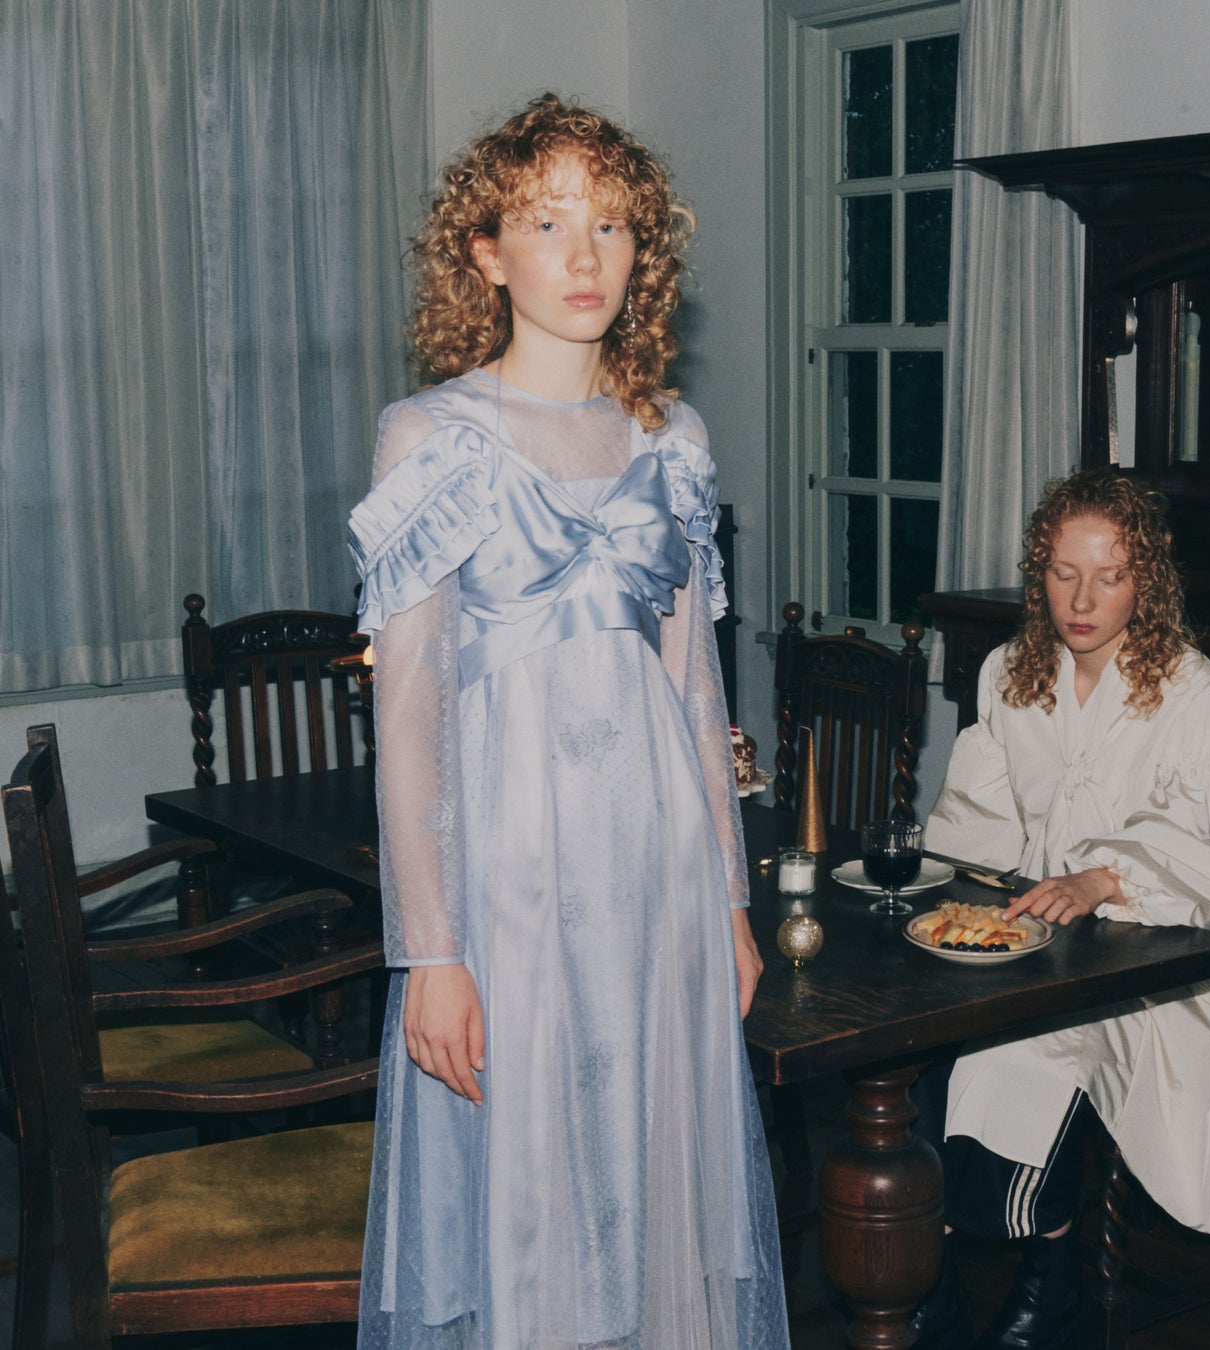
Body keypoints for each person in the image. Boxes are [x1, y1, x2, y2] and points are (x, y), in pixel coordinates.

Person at [346, 95, 789, 1349]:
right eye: (547, 223)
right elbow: (409, 723)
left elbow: (697, 692)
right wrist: (428, 955)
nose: (585, 254)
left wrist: (731, 902)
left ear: (645, 249)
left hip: (659, 877)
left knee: (660, 1200)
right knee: (534, 1217)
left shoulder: (675, 439)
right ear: (486, 253)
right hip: (509, 885)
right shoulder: (430, 437)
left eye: (612, 223)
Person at [913, 469, 1210, 1350]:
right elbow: (975, 828)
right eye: (1063, 574)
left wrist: (1100, 880)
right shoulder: (1009, 673)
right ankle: (935, 1273)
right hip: (1037, 934)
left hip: (1167, 954)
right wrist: (968, 905)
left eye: (1109, 577)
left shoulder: (1192, 692)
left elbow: (1205, 856)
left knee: (1022, 1045)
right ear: (1038, 573)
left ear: (1146, 581)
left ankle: (1048, 1277)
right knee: (927, 1033)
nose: (1082, 601)